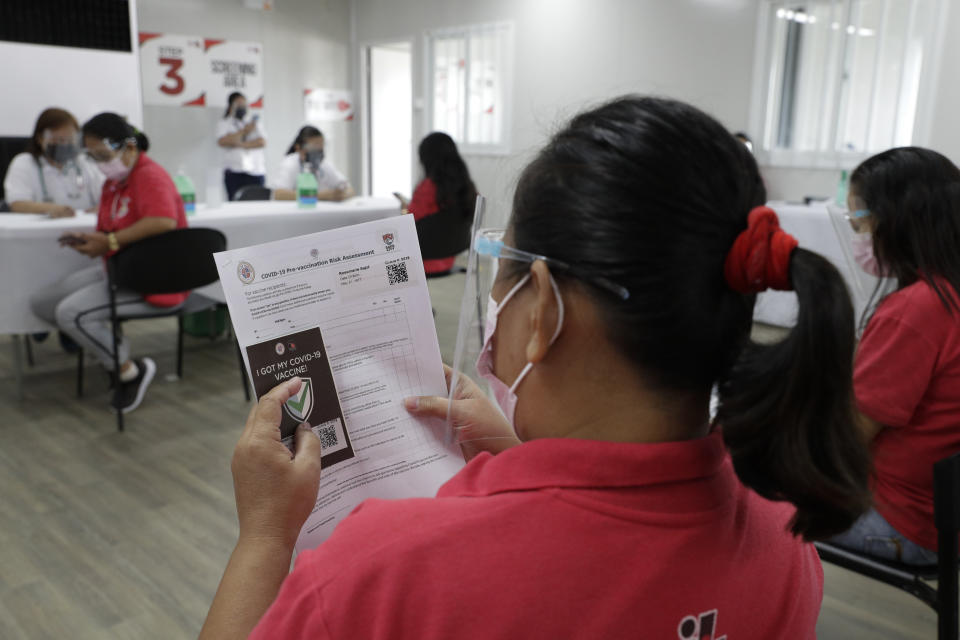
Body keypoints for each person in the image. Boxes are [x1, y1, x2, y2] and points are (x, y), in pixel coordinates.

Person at [199, 96, 872, 639]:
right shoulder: (788, 532)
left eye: (503, 268)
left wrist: (264, 533)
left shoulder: (386, 571)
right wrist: (521, 453)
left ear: (543, 306)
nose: (497, 299)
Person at [830, 147, 960, 565]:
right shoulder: (948, 295)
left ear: (899, 219)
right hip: (942, 515)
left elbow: (849, 437)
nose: (859, 236)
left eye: (860, 221)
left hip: (903, 523)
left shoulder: (917, 311)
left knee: (747, 491)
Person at [30, 113, 188, 414]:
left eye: (103, 155)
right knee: (43, 303)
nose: (100, 163)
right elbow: (109, 230)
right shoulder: (114, 183)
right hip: (121, 268)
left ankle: (130, 370)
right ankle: (111, 352)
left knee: (70, 314)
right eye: (93, 157)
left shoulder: (148, 175)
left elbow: (163, 221)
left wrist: (110, 243)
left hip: (154, 276)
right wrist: (92, 241)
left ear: (128, 147)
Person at [396, 131, 477, 274]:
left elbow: (409, 223)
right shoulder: (467, 186)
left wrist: (404, 209)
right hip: (449, 255)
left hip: (423, 260)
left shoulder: (427, 188)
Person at [3, 107, 104, 217]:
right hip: (39, 231)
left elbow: (107, 197)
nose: (64, 144)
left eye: (69, 140)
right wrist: (54, 209)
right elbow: (17, 204)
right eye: (58, 140)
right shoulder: (24, 162)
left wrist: (103, 208)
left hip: (84, 229)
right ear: (40, 138)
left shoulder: (87, 162)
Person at [272, 126, 353, 202]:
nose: (318, 152)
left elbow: (349, 189)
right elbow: (279, 194)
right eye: (313, 147)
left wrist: (341, 195)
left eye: (321, 148)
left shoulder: (324, 165)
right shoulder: (290, 164)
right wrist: (319, 196)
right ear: (298, 148)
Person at [217, 92, 266, 201]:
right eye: (238, 104)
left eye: (244, 104)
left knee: (258, 204)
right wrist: (244, 131)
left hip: (255, 171)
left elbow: (261, 142)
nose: (242, 106)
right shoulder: (225, 123)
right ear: (231, 106)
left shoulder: (255, 122)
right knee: (235, 204)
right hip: (234, 172)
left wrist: (239, 143)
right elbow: (223, 141)